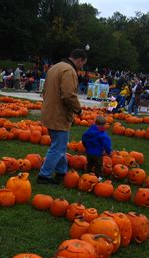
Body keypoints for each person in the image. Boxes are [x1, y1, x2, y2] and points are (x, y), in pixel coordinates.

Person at [37, 48, 87, 184]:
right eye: (82, 64)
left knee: (60, 146)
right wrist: (79, 111)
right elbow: (69, 95)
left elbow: (45, 89)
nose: (82, 67)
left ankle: (61, 172)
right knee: (58, 148)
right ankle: (44, 175)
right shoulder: (69, 71)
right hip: (59, 114)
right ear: (79, 60)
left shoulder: (55, 67)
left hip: (50, 111)